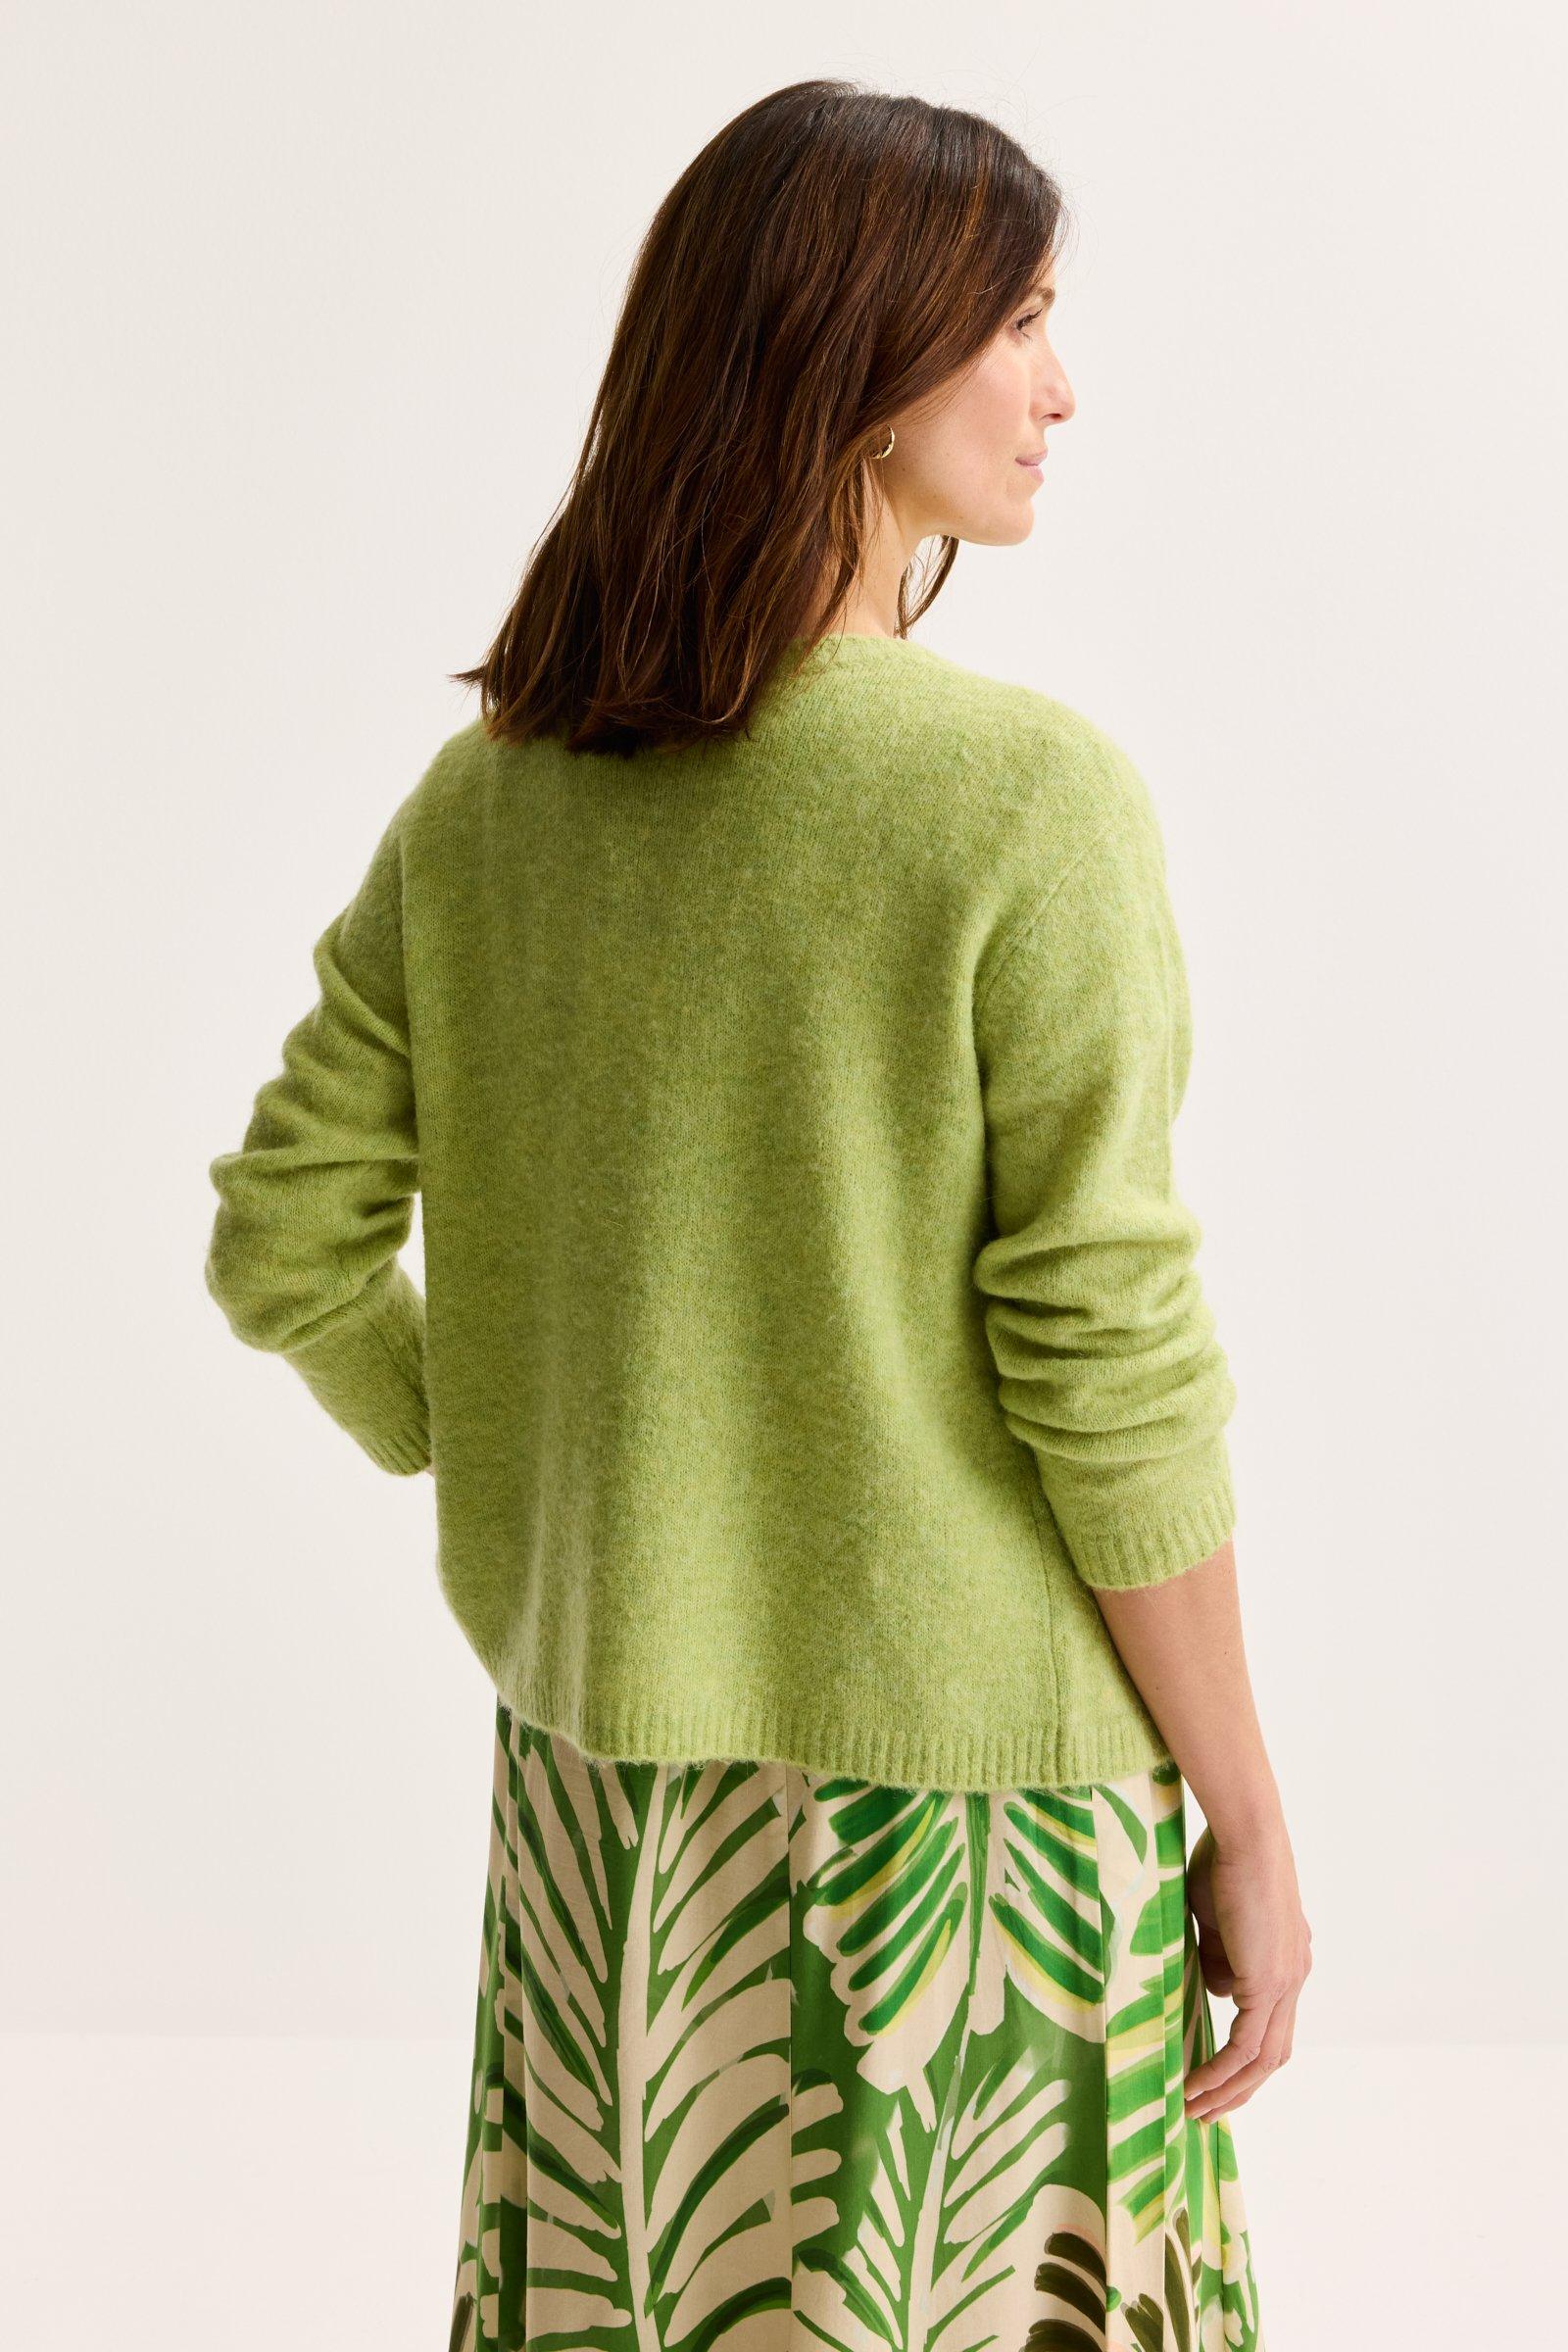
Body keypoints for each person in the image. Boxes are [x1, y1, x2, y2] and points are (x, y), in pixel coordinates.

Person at [203, 77, 1308, 2352]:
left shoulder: (489, 804)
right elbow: (1104, 1367)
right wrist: (1248, 1815)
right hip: (975, 1840)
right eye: (1016, 320)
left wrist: (526, 1443)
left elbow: (282, 1241)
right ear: (855, 357)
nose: (1059, 386)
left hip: (609, 1826)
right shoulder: (1020, 803)